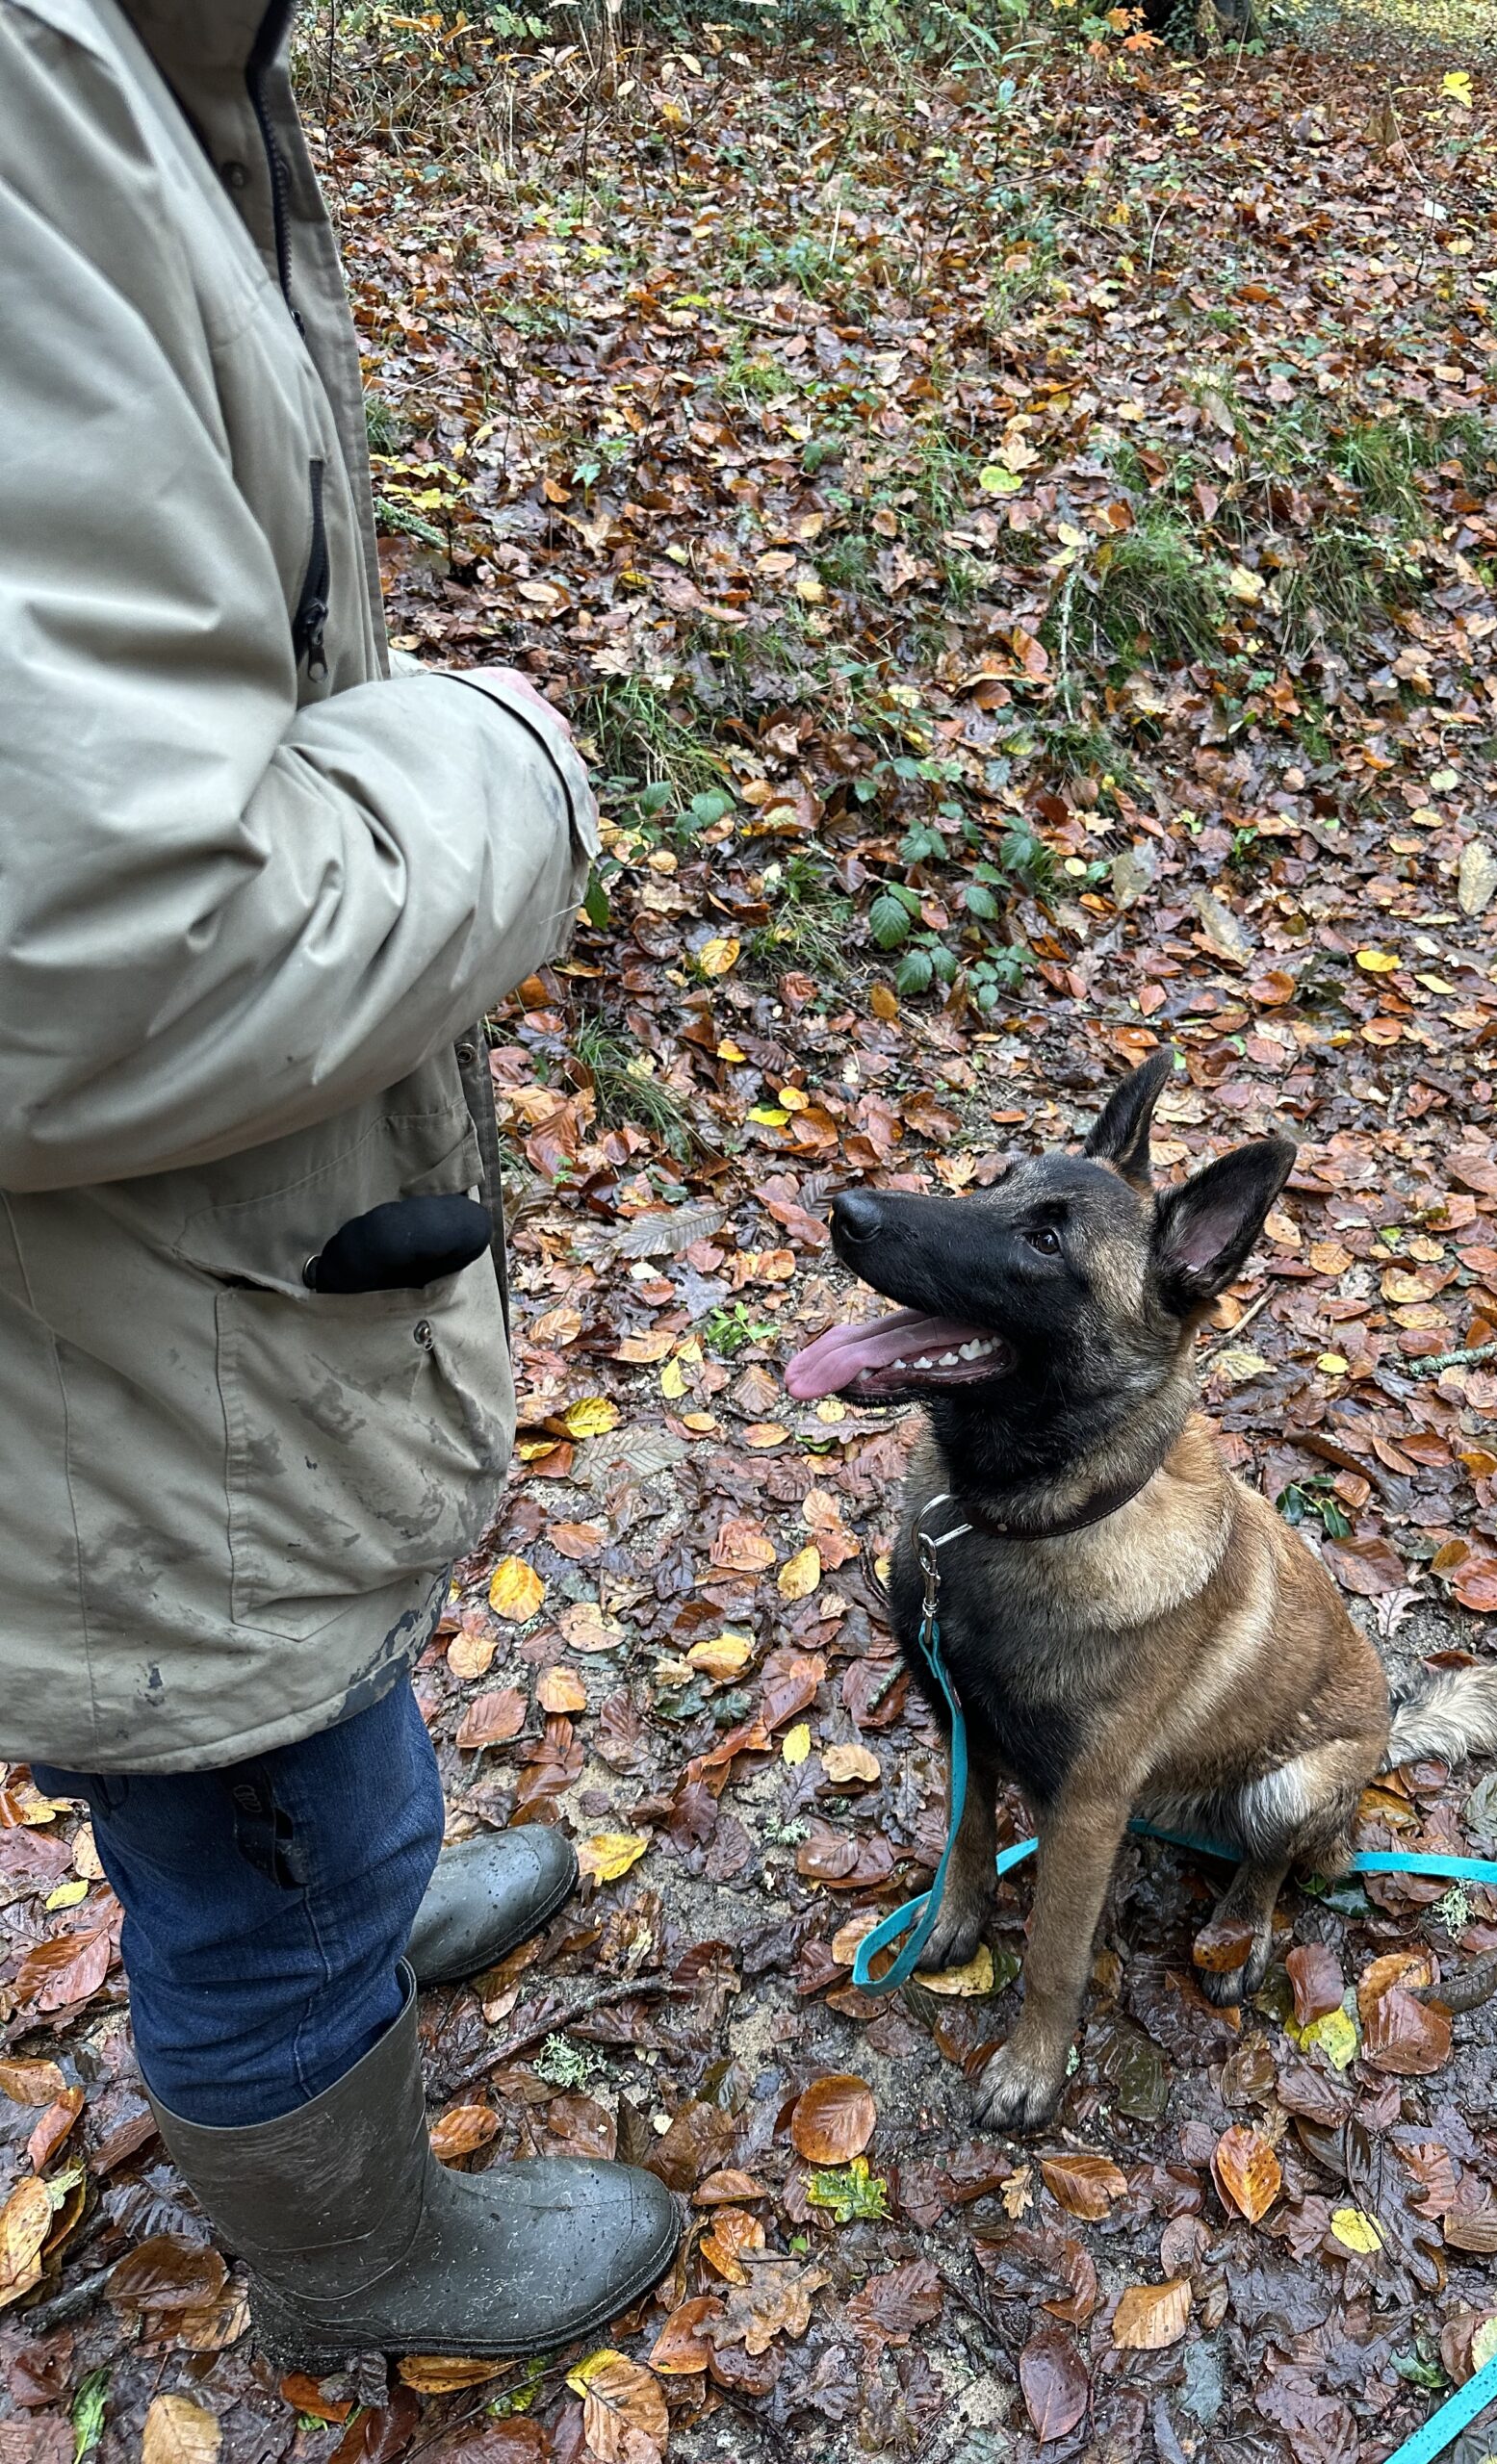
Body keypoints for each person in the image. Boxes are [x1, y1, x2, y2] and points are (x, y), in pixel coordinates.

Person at [0, 0, 676, 2368]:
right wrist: (507, 756)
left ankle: (366, 1910)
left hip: (194, 1280)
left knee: (292, 1670)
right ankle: (355, 2260)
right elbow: (83, 939)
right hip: (104, 1314)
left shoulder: (140, 63)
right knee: (237, 1796)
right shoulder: (28, 96)